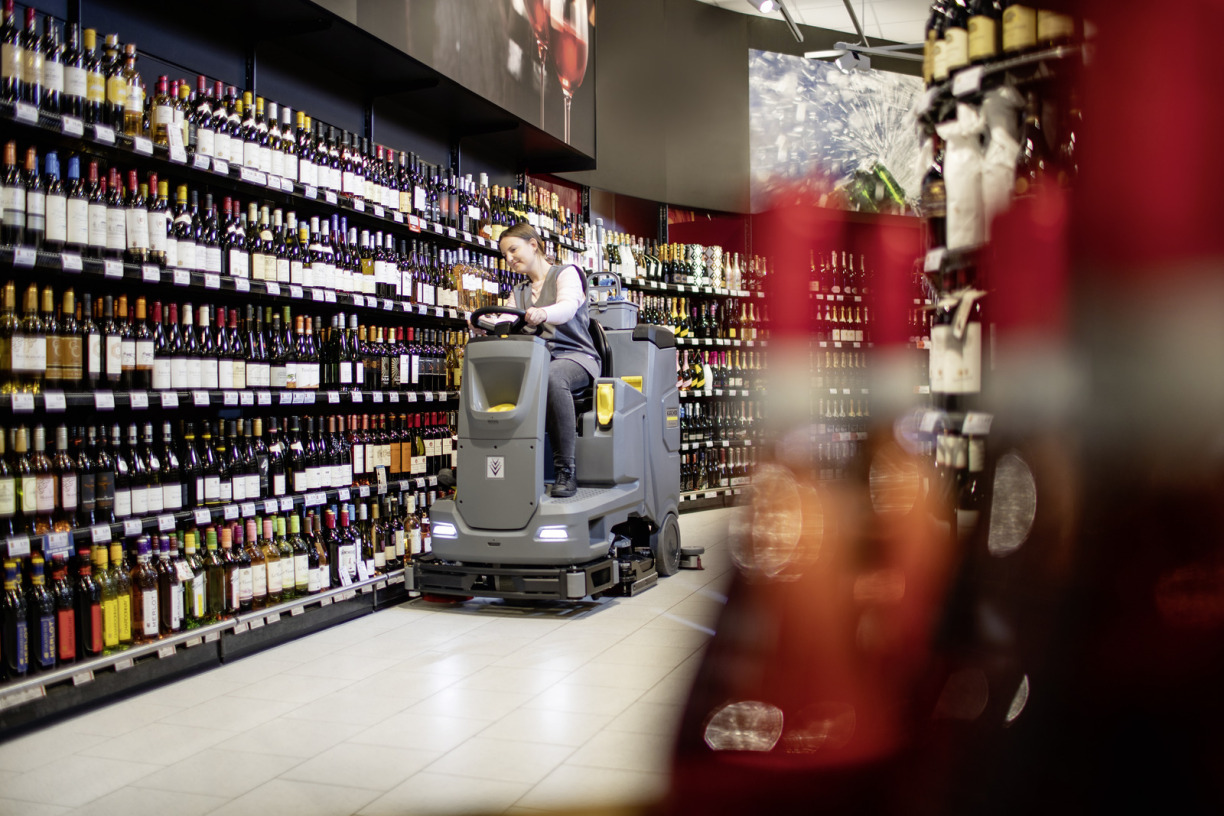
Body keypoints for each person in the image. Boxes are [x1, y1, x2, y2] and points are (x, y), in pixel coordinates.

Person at [491, 222, 600, 498]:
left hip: (576, 357)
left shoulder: (567, 274)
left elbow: (567, 307)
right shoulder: (519, 292)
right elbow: (504, 319)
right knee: (491, 379)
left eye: (513, 250)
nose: (509, 258)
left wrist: (544, 313)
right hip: (537, 362)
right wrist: (485, 325)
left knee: (553, 376)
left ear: (533, 244)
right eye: (505, 255)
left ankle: (565, 470)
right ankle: (487, 465)